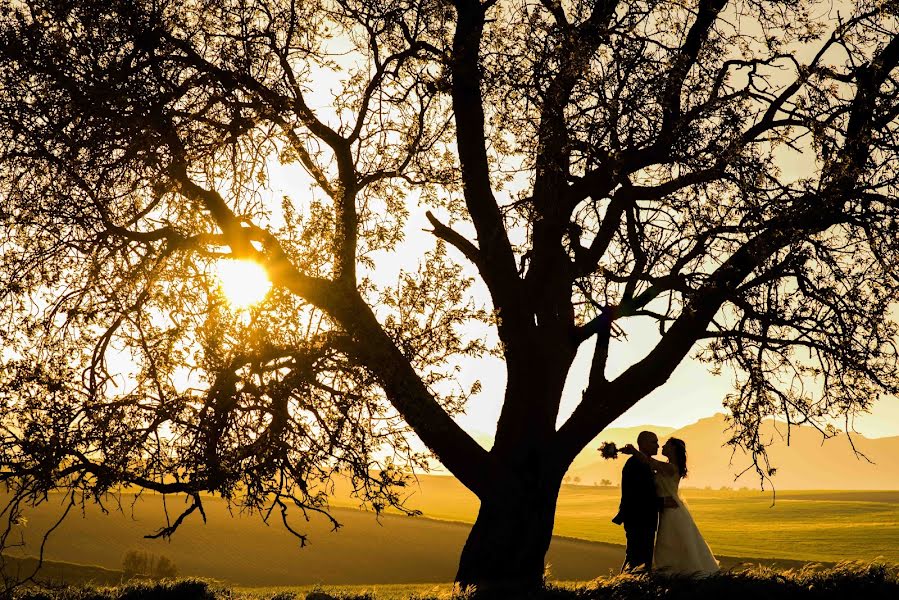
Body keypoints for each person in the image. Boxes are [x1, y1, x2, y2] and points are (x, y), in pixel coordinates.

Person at [620, 437, 720, 576]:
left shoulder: (671, 467)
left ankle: (683, 573)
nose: (662, 446)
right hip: (665, 510)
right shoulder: (666, 466)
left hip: (673, 511)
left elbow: (649, 462)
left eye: (666, 444)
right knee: (669, 544)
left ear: (673, 449)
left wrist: (634, 451)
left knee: (675, 543)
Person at [611, 430, 663, 572]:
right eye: (654, 442)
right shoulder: (635, 463)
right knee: (637, 559)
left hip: (644, 519)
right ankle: (627, 586)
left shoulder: (642, 462)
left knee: (640, 558)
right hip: (639, 519)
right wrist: (662, 503)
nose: (658, 446)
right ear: (643, 444)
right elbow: (640, 494)